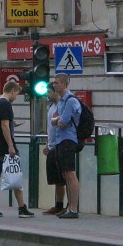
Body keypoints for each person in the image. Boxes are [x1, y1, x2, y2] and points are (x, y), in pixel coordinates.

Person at [0, 82, 34, 218]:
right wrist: (11, 145)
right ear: (12, 90)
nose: (16, 97)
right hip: (6, 147)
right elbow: (4, 125)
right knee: (15, 174)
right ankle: (22, 208)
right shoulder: (5, 104)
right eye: (16, 94)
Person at [46, 73, 81, 218]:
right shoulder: (61, 101)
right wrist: (56, 120)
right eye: (54, 83)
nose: (54, 85)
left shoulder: (70, 101)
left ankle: (73, 208)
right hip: (60, 140)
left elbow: (62, 122)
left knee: (70, 173)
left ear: (64, 84)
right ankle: (68, 207)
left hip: (68, 140)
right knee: (65, 174)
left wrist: (57, 120)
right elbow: (55, 120)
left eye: (56, 83)